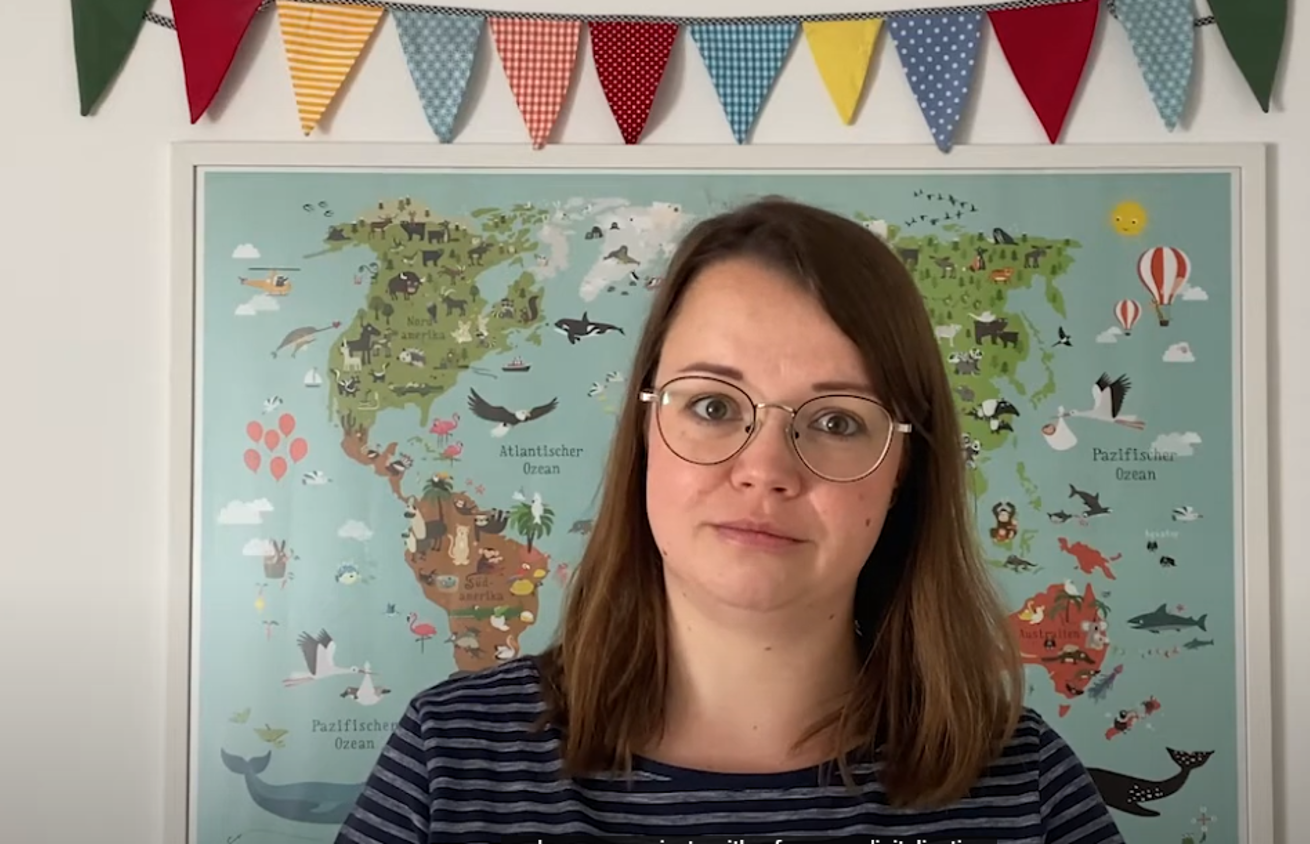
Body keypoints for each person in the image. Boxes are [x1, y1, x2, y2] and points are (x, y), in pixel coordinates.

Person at [335, 197, 1125, 844]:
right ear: (645, 433)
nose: (765, 468)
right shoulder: (451, 761)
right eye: (713, 406)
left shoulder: (1026, 786)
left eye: (837, 421)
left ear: (902, 472)